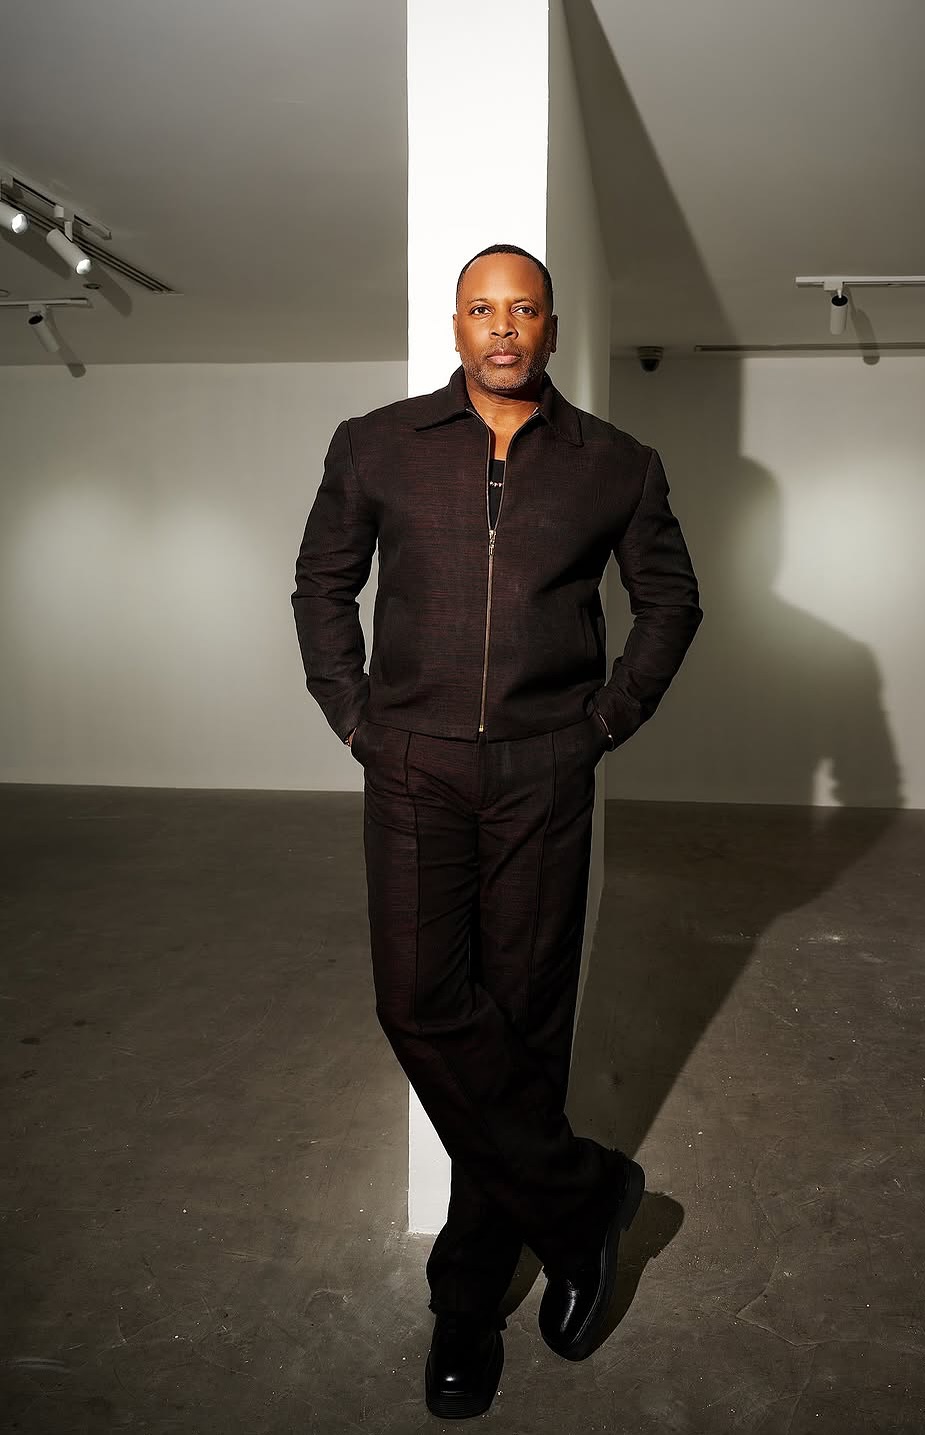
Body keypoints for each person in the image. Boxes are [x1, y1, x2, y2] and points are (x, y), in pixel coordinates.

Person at [292, 244, 702, 1419]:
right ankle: (586, 1202)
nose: (504, 327)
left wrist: (603, 722)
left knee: (521, 1028)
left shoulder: (615, 463)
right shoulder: (376, 444)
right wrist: (356, 717)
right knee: (419, 1003)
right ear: (456, 324)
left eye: (524, 309)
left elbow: (670, 600)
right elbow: (321, 586)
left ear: (551, 327)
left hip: (543, 772)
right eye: (483, 308)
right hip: (411, 763)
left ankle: (466, 1301)